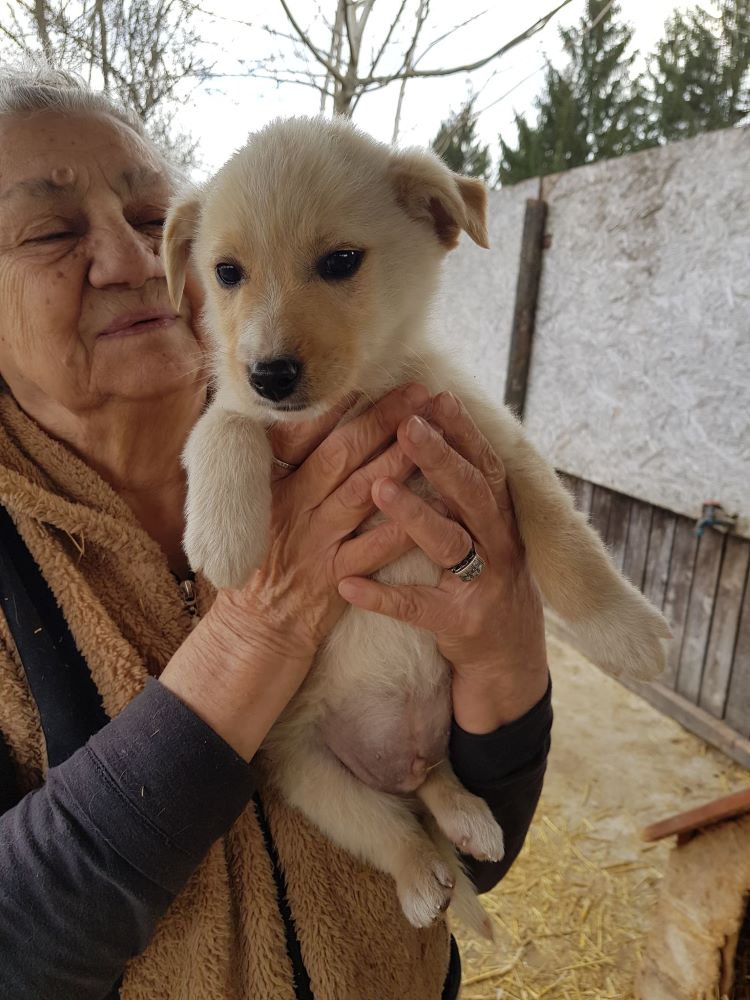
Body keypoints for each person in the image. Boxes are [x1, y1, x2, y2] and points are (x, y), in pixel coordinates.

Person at [0, 64, 552, 1000]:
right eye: (51, 232)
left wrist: (506, 662)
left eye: (152, 220)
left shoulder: (354, 415)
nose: (134, 263)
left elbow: (484, 848)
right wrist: (260, 631)